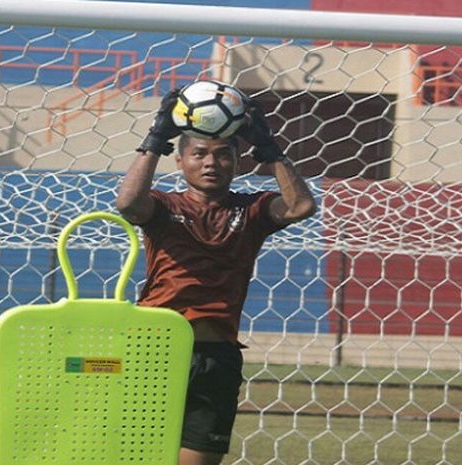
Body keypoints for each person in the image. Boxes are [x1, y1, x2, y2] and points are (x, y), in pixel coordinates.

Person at [115, 88, 316, 465]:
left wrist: (270, 150)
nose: (212, 163)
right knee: (138, 458)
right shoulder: (163, 206)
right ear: (181, 162)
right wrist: (156, 138)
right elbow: (127, 203)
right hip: (155, 352)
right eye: (200, 154)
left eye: (224, 154)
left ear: (237, 163)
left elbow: (301, 205)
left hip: (217, 357)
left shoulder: (251, 210)